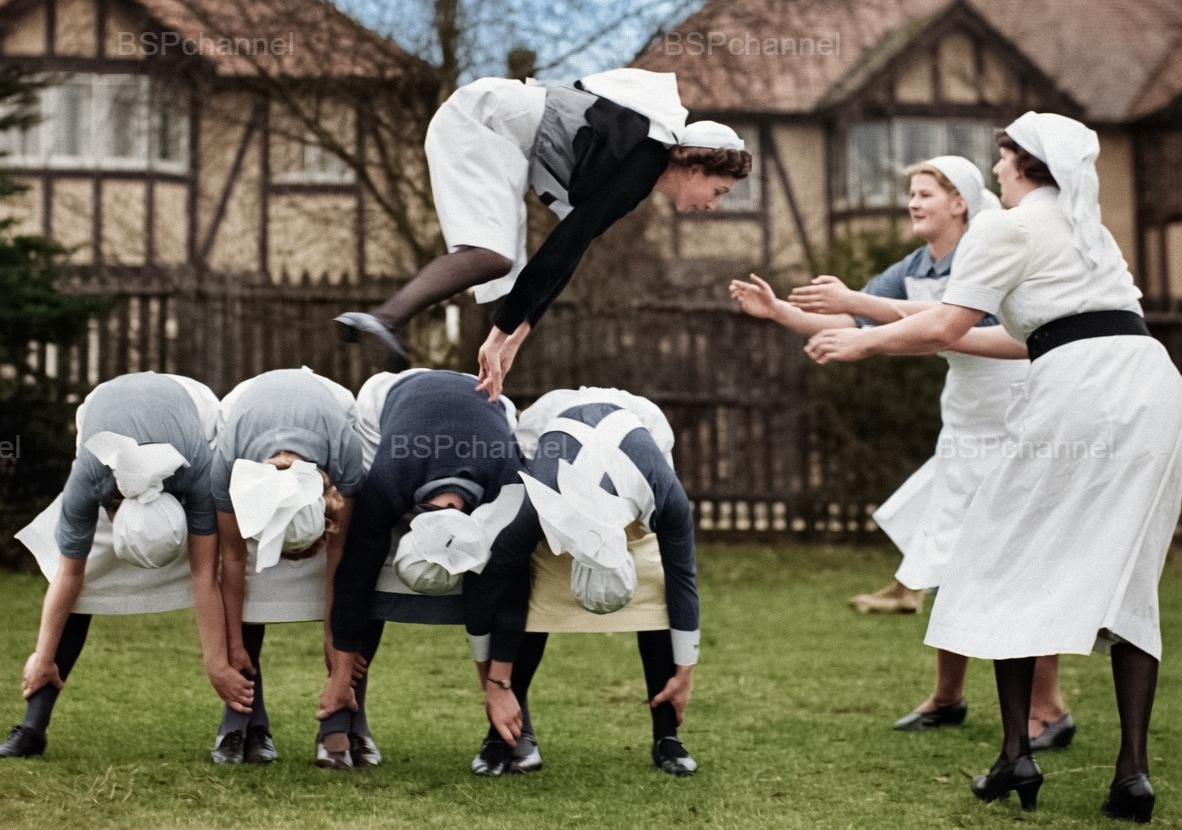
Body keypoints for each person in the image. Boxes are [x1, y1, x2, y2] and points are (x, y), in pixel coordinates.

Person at [805, 113, 1182, 821]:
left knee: (994, 557)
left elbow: (948, 327)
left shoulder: (1003, 229)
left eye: (1003, 157)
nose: (997, 170)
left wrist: (863, 344)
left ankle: (1016, 754)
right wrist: (865, 312)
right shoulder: (1084, 229)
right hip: (1152, 389)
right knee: (1131, 574)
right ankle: (1131, 773)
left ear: (1022, 164)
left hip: (1083, 392)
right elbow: (1011, 338)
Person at [732, 158, 1075, 743]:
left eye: (925, 194)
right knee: (944, 558)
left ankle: (1049, 711)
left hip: (1020, 425)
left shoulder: (992, 251)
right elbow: (854, 317)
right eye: (911, 194)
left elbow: (953, 330)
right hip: (964, 430)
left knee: (1018, 567)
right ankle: (948, 698)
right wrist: (781, 312)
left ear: (960, 203)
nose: (913, 203)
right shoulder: (916, 267)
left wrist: (872, 330)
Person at [334, 69, 752, 399]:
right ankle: (384, 318)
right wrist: (503, 333)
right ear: (696, 168)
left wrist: (512, 337)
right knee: (492, 257)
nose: (712, 206)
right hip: (484, 121)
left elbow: (568, 253)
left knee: (498, 264)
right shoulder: (642, 159)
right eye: (718, 192)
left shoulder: (637, 163)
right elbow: (564, 247)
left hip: (490, 129)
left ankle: (381, 319)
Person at [0, 372, 253, 758]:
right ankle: (33, 727)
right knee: (85, 581)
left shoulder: (198, 471)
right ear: (110, 514)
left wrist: (217, 663)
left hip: (192, 406)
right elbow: (69, 574)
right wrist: (42, 656)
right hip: (101, 405)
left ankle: (236, 731)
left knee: (224, 566)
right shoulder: (87, 477)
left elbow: (205, 575)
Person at [462, 387, 700, 777]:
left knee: (655, 585)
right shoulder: (536, 508)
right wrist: (496, 682)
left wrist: (685, 672)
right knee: (533, 588)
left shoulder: (666, 497)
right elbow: (494, 584)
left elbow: (681, 578)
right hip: (550, 425)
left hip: (637, 427)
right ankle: (503, 735)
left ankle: (667, 737)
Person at [316, 369, 523, 768]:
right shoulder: (389, 480)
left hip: (489, 401)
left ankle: (515, 719)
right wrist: (339, 673)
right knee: (370, 554)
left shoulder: (508, 486)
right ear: (409, 519)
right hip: (388, 398)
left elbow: (509, 590)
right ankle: (342, 717)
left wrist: (498, 685)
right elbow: (357, 572)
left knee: (509, 565)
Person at [208, 368, 364, 765]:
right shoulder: (227, 462)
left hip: (329, 396)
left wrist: (335, 640)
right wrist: (233, 645)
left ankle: (349, 725)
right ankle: (246, 722)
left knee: (359, 578)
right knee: (247, 583)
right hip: (245, 398)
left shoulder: (345, 449)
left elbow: (340, 561)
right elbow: (233, 559)